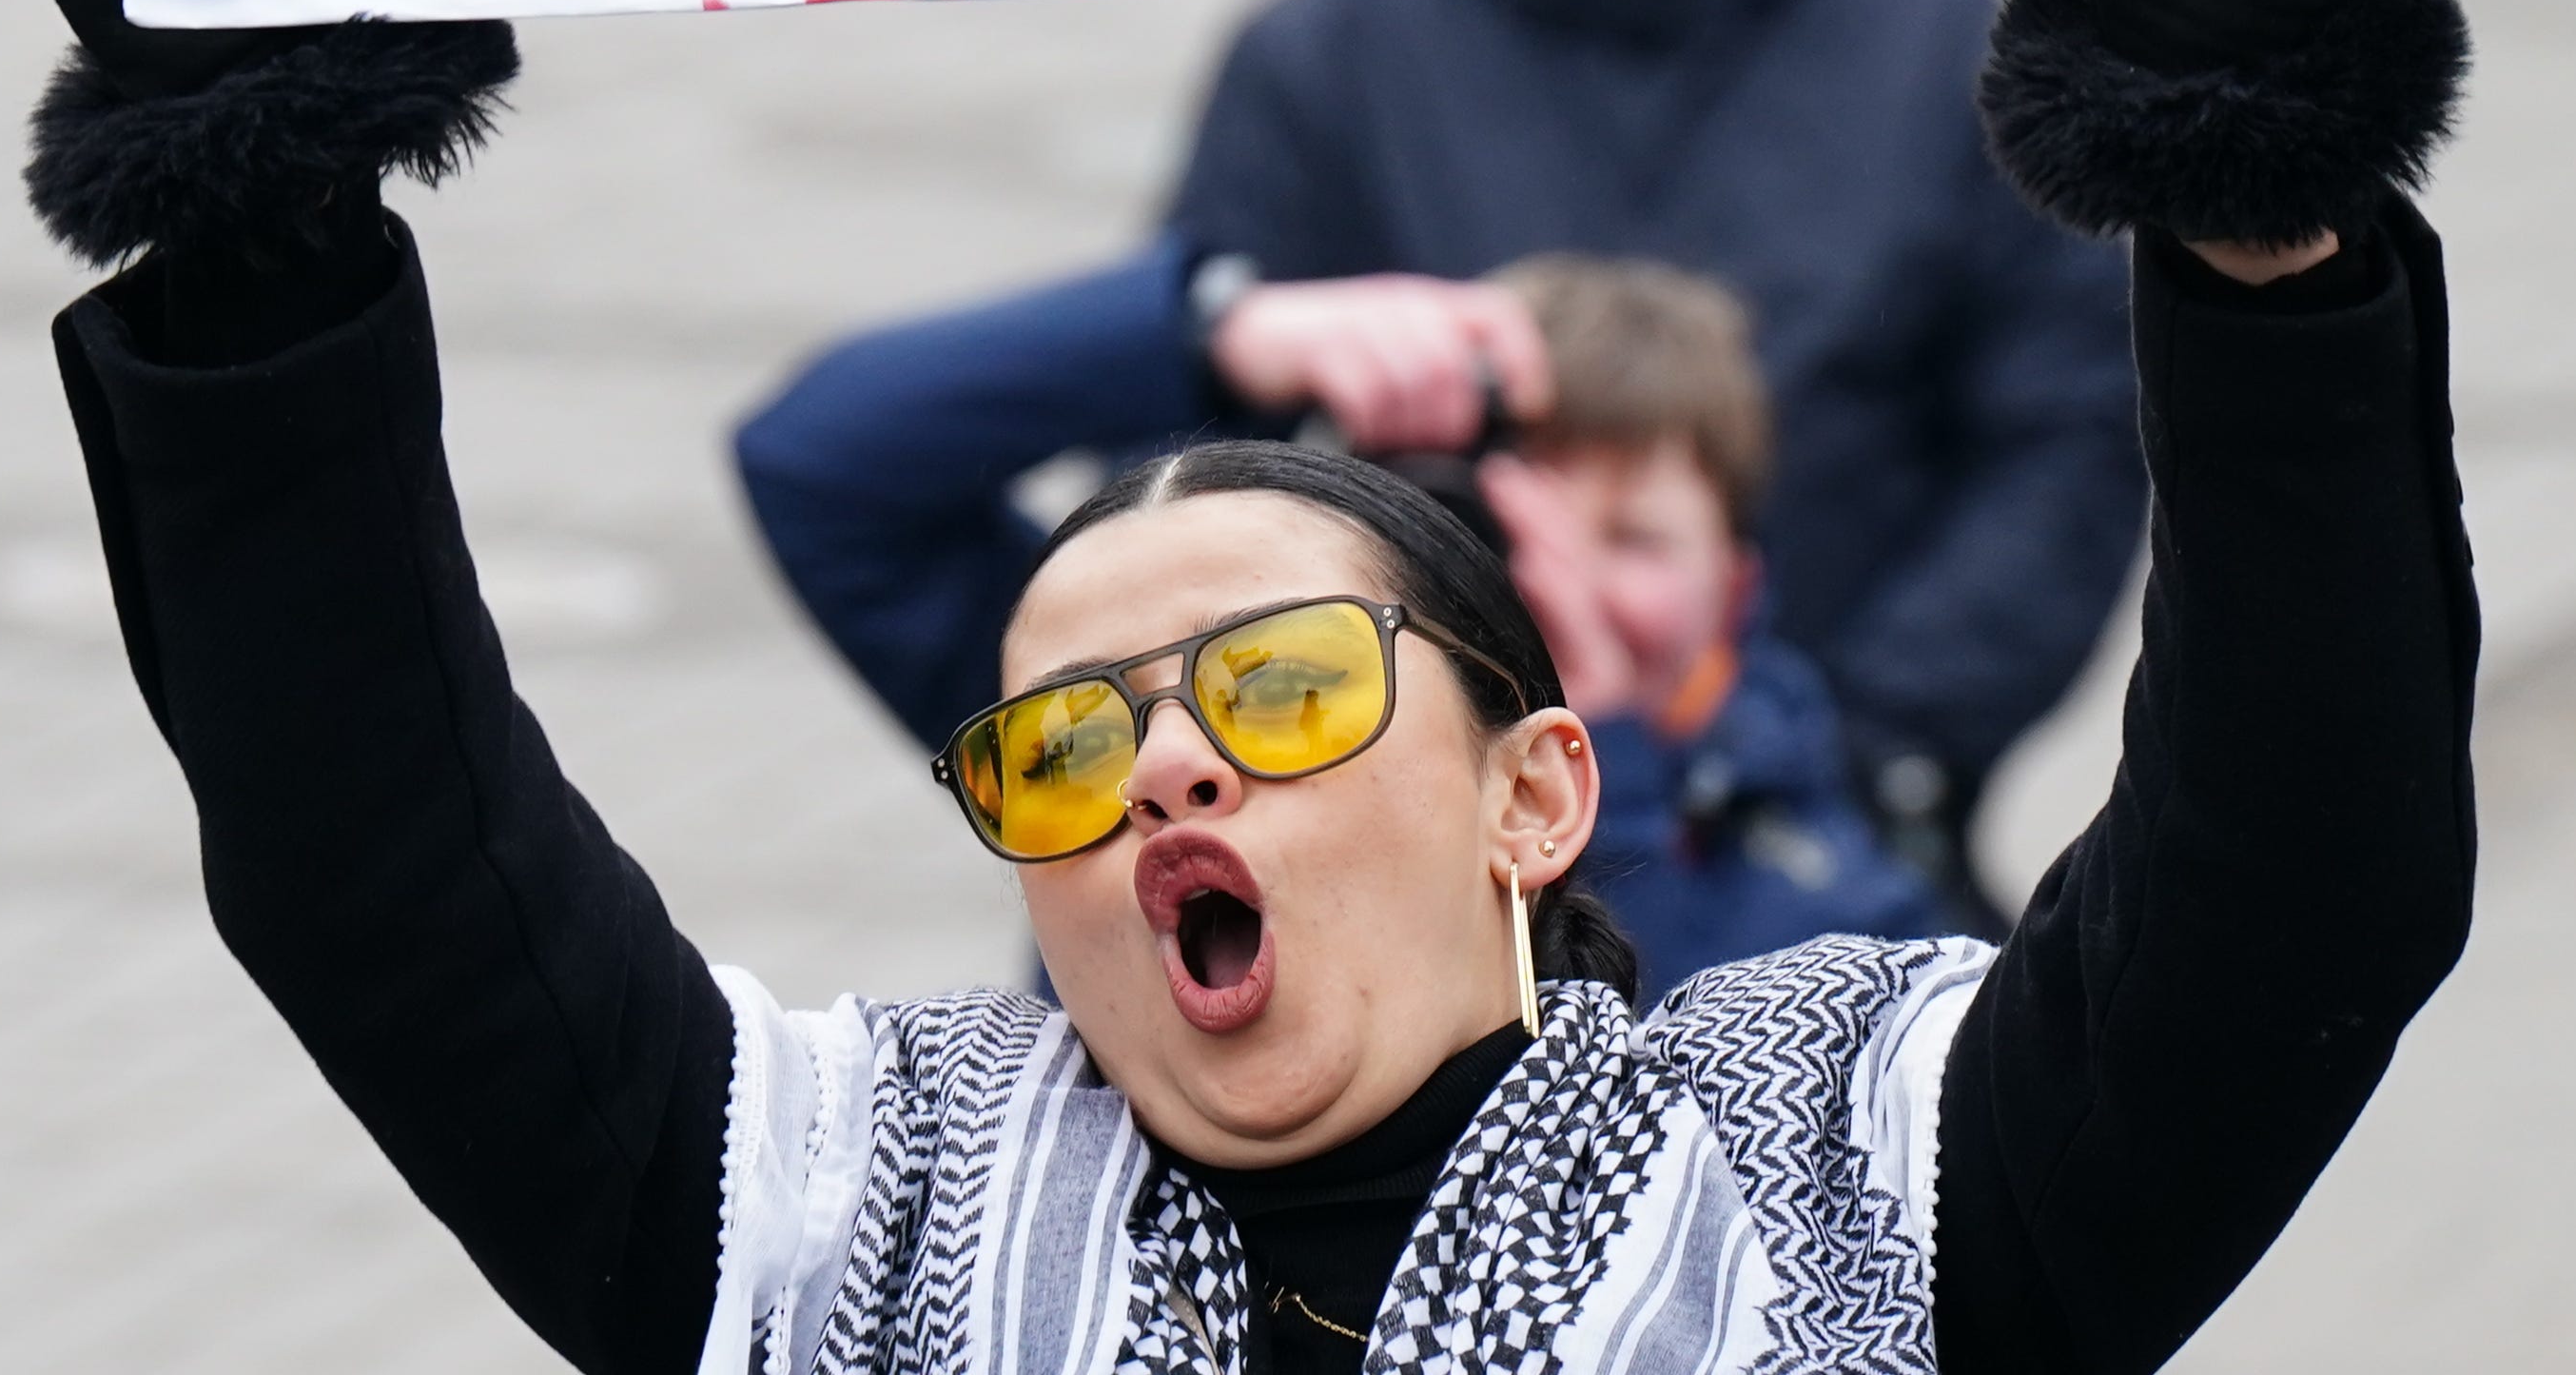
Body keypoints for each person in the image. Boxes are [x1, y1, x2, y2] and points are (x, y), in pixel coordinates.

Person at [15, 0, 2481, 1375]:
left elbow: (2300, 881)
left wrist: (2261, 214)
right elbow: (384, 869)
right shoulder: (849, 1223)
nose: (1167, 775)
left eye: (1284, 693)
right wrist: (259, 235)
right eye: (1070, 749)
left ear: (1537, 791)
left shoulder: (1855, 1179)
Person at [1157, 0, 2149, 925]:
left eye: (1626, 537)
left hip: (1828, 778)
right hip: (1372, 757)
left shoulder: (1939, 45)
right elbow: (1175, 480)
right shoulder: (1329, 53)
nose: (1564, 570)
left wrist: (1859, 749)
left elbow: (2073, 434)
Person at [736, 244, 1961, 992]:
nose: (1547, 570)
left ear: (1739, 587)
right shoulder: (1197, 734)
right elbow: (823, 466)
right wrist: (1214, 333)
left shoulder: (1842, 882)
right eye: (1498, 519)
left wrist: (1597, 761)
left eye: (1632, 539)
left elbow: (1659, 1092)